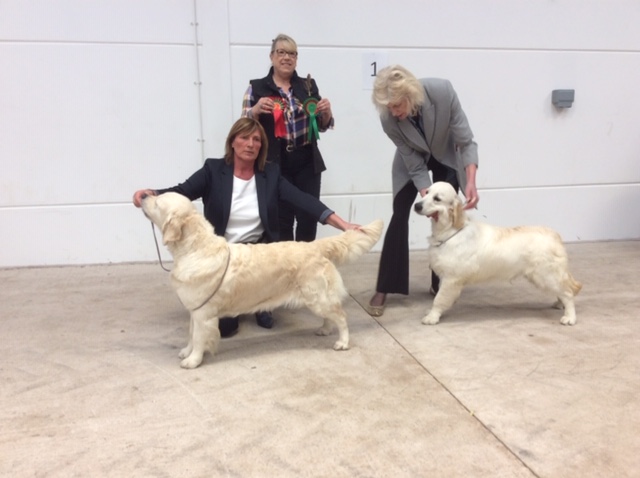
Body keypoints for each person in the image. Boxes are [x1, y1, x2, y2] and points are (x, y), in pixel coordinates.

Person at [133, 117, 359, 336]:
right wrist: (151, 195)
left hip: (259, 254)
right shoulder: (213, 170)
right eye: (244, 138)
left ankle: (262, 302)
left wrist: (342, 224)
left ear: (262, 146)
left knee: (264, 306)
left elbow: (304, 201)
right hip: (223, 255)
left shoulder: (270, 174)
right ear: (232, 141)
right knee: (225, 329)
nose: (250, 144)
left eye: (256, 139)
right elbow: (182, 192)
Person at [367, 65, 480, 317]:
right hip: (412, 161)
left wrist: (470, 180)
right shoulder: (388, 119)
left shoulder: (442, 91)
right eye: (389, 108)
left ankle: (440, 283)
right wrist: (426, 196)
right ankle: (384, 286)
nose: (394, 112)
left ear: (410, 94)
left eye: (397, 105)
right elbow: (413, 162)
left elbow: (465, 140)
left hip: (445, 156)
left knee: (445, 217)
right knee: (399, 214)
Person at [241, 33, 334, 242]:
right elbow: (243, 128)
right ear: (272, 56)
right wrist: (255, 110)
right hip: (274, 163)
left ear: (296, 59)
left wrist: (326, 113)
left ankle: (306, 261)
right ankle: (286, 263)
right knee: (281, 220)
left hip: (307, 163)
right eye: (281, 52)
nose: (287, 58)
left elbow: (321, 125)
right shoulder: (256, 88)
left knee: (309, 217)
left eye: (292, 54)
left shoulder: (308, 86)